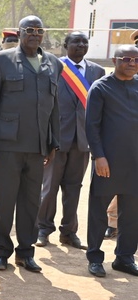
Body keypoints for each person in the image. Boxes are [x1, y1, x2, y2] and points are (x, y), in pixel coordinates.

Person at [0, 15, 61, 273]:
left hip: (37, 145)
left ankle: (26, 252)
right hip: (7, 143)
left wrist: (53, 141)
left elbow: (54, 107)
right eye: (29, 29)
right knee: (3, 201)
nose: (34, 34)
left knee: (30, 203)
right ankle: (2, 251)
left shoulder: (53, 63)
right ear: (20, 32)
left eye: (39, 29)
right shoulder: (1, 61)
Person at [36, 32, 104, 249]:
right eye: (76, 41)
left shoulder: (97, 71)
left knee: (74, 188)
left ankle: (69, 232)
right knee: (49, 187)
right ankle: (43, 229)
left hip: (83, 140)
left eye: (84, 41)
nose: (81, 45)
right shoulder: (53, 66)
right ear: (66, 45)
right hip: (56, 138)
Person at [84, 46, 138, 277]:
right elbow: (91, 126)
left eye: (136, 59)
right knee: (98, 211)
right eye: (126, 59)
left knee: (132, 213)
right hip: (107, 162)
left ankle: (124, 258)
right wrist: (99, 157)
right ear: (115, 60)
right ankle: (95, 257)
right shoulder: (101, 88)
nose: (132, 63)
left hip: (135, 162)